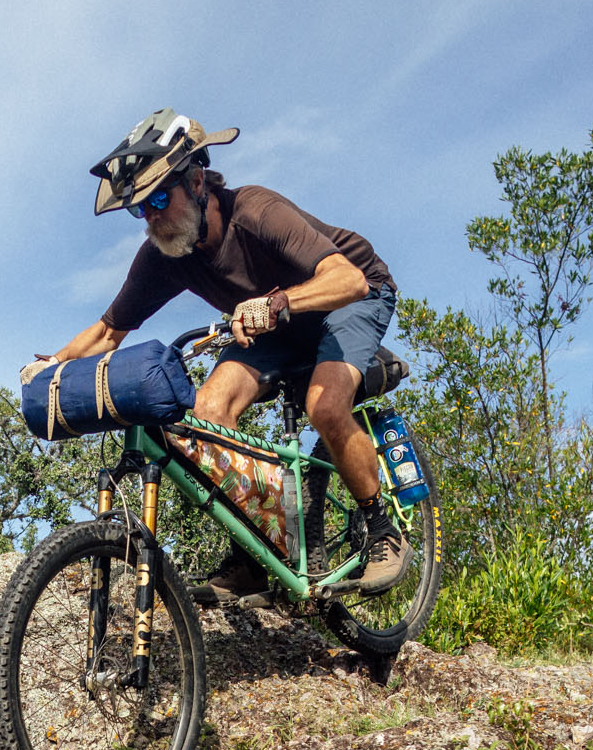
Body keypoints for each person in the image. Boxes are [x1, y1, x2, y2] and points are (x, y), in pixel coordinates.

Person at [33, 109, 404, 596]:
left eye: (159, 198)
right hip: (275, 323)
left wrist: (277, 303)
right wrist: (50, 366)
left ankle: (382, 531)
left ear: (197, 181)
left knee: (324, 404)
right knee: (207, 416)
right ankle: (254, 557)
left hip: (350, 297)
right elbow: (107, 332)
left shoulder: (255, 211)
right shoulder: (164, 256)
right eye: (139, 209)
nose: (151, 217)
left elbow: (348, 280)